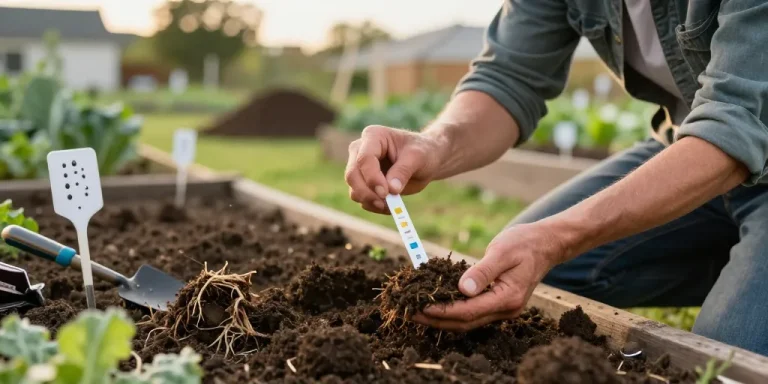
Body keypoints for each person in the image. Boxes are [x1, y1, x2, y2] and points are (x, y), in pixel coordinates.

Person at [343, 0, 768, 356]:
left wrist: (559, 237)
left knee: (730, 360)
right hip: (690, 152)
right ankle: (737, 261)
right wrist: (434, 144)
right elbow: (509, 76)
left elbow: (734, 124)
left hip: (736, 147)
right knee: (517, 277)